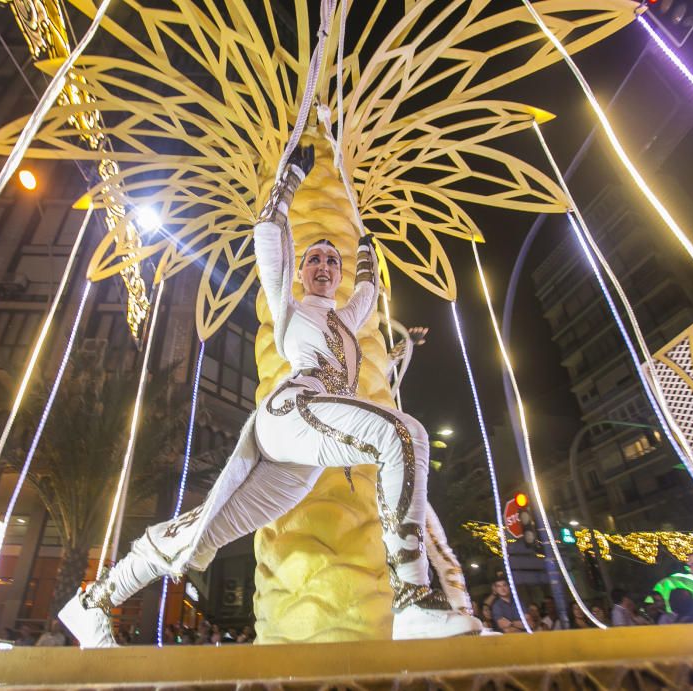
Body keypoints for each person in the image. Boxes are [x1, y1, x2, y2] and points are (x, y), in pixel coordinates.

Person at [58, 145, 480, 648]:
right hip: (293, 412)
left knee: (206, 529)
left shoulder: (345, 320)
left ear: (340, 274)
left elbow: (367, 292)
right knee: (403, 434)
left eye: (331, 260)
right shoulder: (290, 308)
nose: (323, 265)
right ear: (301, 271)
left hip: (300, 459)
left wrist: (366, 248)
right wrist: (290, 180)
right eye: (314, 259)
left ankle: (94, 602)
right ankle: (413, 601)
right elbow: (268, 236)